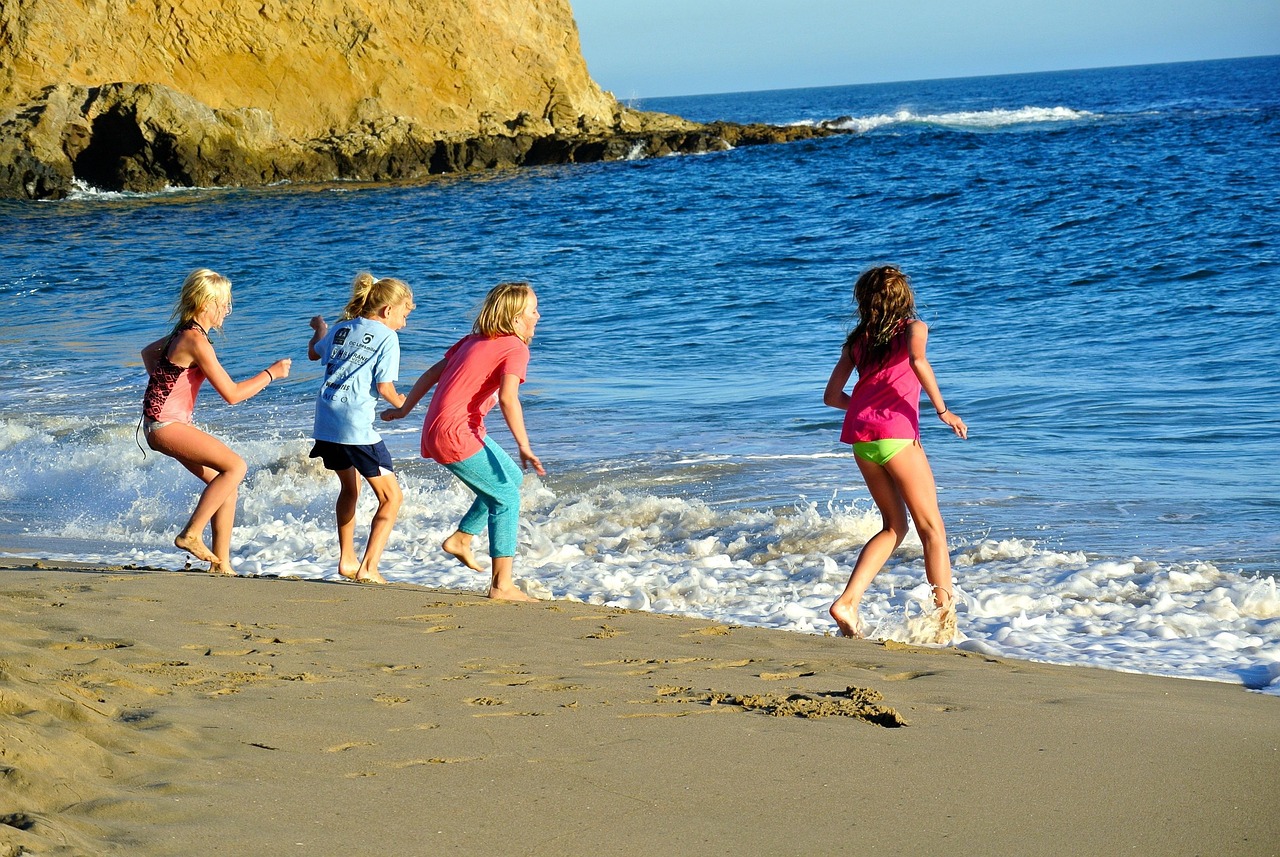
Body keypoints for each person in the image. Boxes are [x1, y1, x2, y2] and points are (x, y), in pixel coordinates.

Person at [822, 265, 968, 642]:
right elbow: (919, 362)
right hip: (897, 438)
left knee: (893, 527)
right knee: (932, 530)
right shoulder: (913, 330)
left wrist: (867, 408)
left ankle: (848, 602)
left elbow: (832, 397)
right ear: (904, 297)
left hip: (862, 439)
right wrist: (942, 410)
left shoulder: (857, 340)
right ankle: (943, 622)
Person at [383, 281, 545, 601]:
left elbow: (431, 375)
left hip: (444, 428)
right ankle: (502, 586)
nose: (538, 316)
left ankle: (462, 538)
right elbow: (510, 399)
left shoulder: (473, 340)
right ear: (514, 319)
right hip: (455, 433)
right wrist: (524, 445)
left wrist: (405, 409)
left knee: (509, 479)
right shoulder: (515, 348)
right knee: (506, 499)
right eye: (532, 311)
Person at [141, 268, 292, 575]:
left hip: (162, 423)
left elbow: (148, 354)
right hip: (166, 426)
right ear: (205, 304)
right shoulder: (196, 340)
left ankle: (221, 564)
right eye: (224, 303)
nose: (227, 309)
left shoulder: (182, 334)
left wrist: (168, 390)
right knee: (236, 467)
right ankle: (191, 534)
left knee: (225, 483)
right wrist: (271, 374)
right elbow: (233, 395)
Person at [307, 272, 415, 584]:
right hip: (355, 427)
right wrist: (403, 404)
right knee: (391, 498)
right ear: (388, 311)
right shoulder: (387, 336)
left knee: (349, 488)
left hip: (326, 422)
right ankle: (368, 567)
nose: (404, 324)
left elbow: (314, 352)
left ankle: (347, 560)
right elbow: (385, 387)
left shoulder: (341, 327)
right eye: (404, 315)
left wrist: (320, 330)